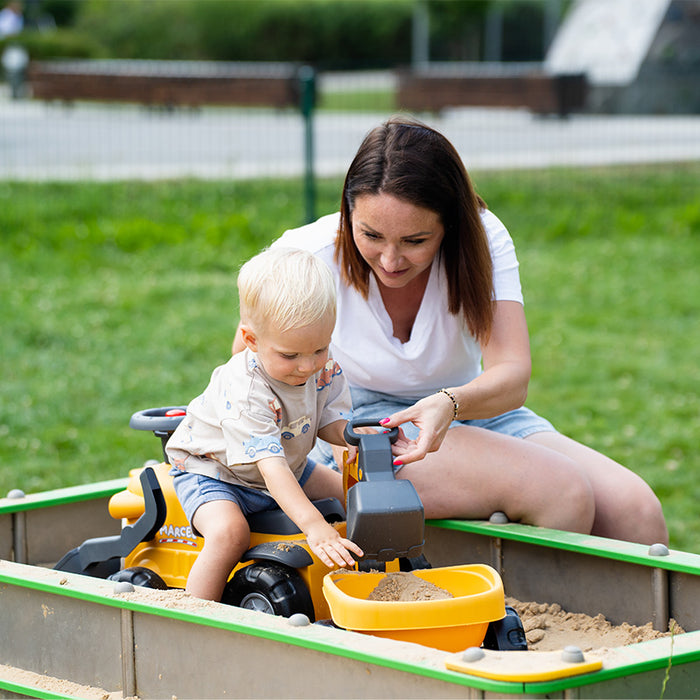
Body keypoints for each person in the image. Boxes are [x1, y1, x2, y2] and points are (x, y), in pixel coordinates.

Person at [234, 117, 668, 547]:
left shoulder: (481, 238)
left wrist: (449, 403)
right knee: (562, 491)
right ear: (347, 214)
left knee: (636, 512)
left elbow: (512, 376)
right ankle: (516, 613)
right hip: (358, 426)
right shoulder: (306, 256)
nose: (389, 260)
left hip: (469, 407)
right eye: (370, 235)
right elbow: (243, 376)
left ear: (450, 225)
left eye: (415, 241)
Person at [167, 247, 365, 601]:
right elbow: (270, 469)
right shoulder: (246, 391)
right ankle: (196, 614)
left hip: (287, 462)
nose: (307, 366)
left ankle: (365, 575)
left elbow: (329, 419)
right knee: (230, 534)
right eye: (290, 355)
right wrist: (314, 527)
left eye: (319, 349)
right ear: (251, 340)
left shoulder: (320, 362)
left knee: (354, 498)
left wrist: (351, 436)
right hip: (218, 473)